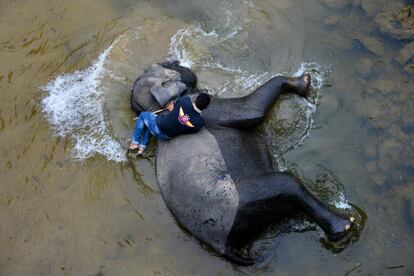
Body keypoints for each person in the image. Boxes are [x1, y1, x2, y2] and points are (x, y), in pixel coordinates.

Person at [128, 93, 211, 155]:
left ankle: (135, 143)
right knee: (149, 126)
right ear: (205, 107)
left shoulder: (185, 100)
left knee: (143, 115)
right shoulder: (200, 123)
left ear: (195, 100)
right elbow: (187, 130)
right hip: (166, 136)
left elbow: (174, 108)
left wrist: (172, 109)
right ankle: (142, 148)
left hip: (159, 125)